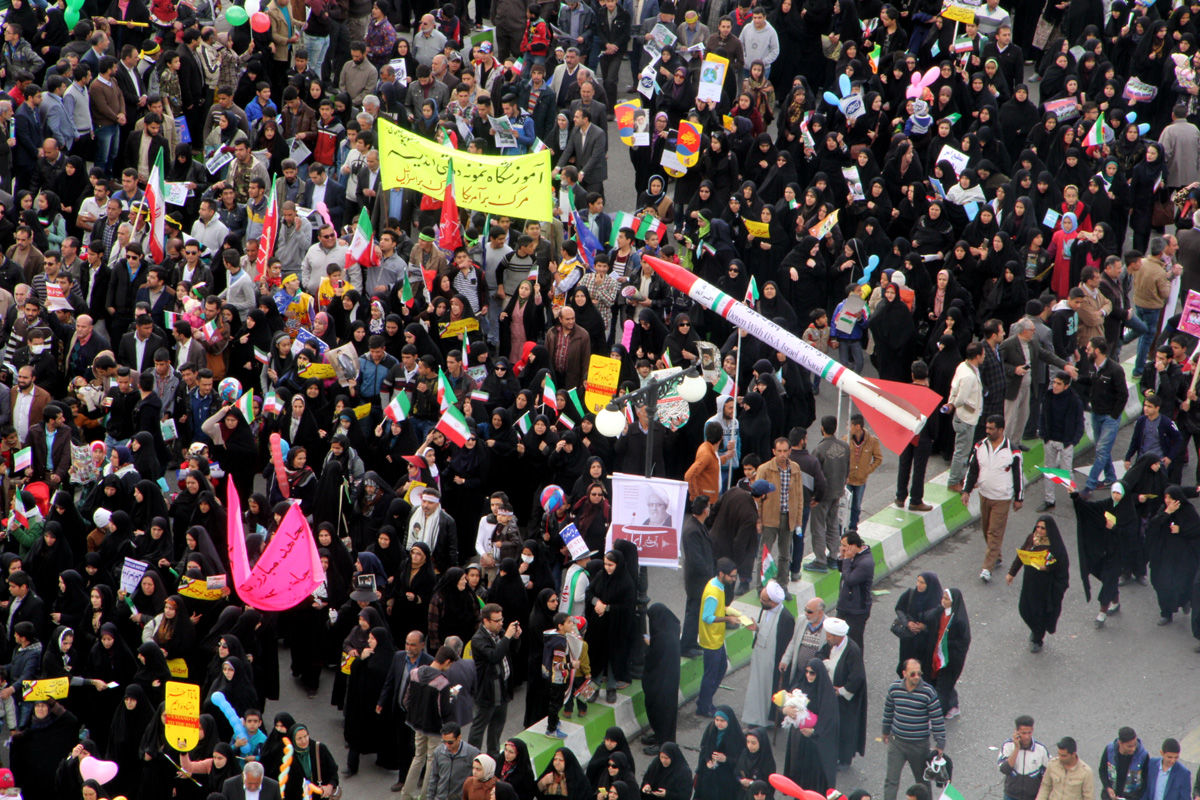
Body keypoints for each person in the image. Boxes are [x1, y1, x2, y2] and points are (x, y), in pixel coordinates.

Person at [963, 415, 1024, 583]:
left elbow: (1018, 475)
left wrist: (1019, 498)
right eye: (987, 428)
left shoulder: (1013, 451)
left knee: (994, 532)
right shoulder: (980, 446)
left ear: (1001, 429)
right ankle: (996, 555)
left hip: (1002, 499)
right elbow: (973, 469)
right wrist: (966, 490)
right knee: (986, 529)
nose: (987, 431)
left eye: (991, 429)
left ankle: (986, 568)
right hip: (984, 495)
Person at [881, 658, 946, 800]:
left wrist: (940, 743)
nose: (917, 677)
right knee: (891, 781)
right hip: (897, 743)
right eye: (912, 674)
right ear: (904, 673)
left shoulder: (928, 692)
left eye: (919, 673)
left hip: (919, 746)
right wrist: (885, 731)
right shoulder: (894, 689)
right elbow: (888, 711)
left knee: (922, 782)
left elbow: (937, 718)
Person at [1006, 516, 1070, 653]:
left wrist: (1046, 568)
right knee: (1024, 608)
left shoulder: (1054, 546)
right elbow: (1022, 555)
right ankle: (1036, 629)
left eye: (1043, 528)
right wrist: (1012, 573)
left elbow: (1060, 566)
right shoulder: (1032, 538)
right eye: (1038, 527)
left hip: (1044, 587)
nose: (1039, 531)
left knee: (1039, 612)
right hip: (1029, 582)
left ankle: (1037, 637)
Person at [815, 616, 867, 770]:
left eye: (830, 635)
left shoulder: (852, 650)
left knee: (846, 728)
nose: (827, 638)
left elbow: (857, 677)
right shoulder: (830, 645)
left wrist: (842, 691)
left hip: (845, 699)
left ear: (839, 636)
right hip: (832, 694)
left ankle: (844, 760)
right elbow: (820, 655)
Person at [740, 580, 793, 728]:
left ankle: (767, 720)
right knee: (756, 688)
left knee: (768, 689)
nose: (761, 602)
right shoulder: (766, 609)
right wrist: (756, 628)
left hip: (772, 661)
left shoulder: (786, 618)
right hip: (759, 656)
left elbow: (787, 644)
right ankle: (754, 718)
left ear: (773, 602)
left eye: (764, 600)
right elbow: (764, 628)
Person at [467, 603, 518, 755]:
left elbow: (513, 650)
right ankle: (473, 758)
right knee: (479, 727)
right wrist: (508, 636)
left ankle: (493, 756)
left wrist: (515, 638)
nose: (501, 623)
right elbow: (494, 656)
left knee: (497, 726)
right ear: (486, 621)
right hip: (487, 691)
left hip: (503, 688)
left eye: (502, 620)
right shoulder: (478, 639)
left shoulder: (499, 633)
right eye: (497, 621)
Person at [696, 558, 740, 718]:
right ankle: (704, 706)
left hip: (717, 638)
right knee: (711, 675)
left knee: (720, 668)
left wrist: (728, 612)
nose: (733, 580)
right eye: (731, 576)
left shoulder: (718, 585)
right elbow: (707, 617)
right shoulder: (713, 593)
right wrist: (728, 619)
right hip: (711, 640)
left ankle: (704, 701)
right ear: (721, 574)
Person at [679, 497, 714, 657]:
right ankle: (686, 646)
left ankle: (692, 642)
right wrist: (709, 573)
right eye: (708, 507)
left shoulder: (698, 526)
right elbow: (696, 559)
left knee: (697, 611)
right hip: (697, 581)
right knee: (693, 612)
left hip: (701, 580)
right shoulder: (692, 530)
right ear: (704, 510)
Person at [928, 588, 969, 720]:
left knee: (943, 687)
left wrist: (946, 646)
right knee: (944, 683)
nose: (943, 601)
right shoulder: (942, 612)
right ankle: (953, 706)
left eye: (946, 599)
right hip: (939, 655)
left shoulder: (958, 621)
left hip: (951, 659)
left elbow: (962, 642)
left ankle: (937, 714)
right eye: (943, 598)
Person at [998, 715, 1051, 800]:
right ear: (1017, 732)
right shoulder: (1008, 746)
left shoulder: (1041, 750)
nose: (1027, 737)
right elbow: (1005, 769)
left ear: (1032, 730)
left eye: (1029, 733)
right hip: (1011, 796)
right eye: (1023, 733)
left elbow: (1048, 776)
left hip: (1033, 797)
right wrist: (1016, 748)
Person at [836, 531, 874, 649]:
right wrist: (842, 557)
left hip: (856, 610)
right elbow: (841, 570)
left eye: (844, 545)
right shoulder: (851, 555)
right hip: (845, 605)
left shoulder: (865, 562)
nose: (842, 548)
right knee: (838, 638)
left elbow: (850, 579)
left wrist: (847, 559)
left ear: (853, 546)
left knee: (853, 643)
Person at [1097, 727, 1148, 800]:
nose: (1133, 749)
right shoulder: (1109, 750)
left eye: (1135, 745)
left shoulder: (1143, 756)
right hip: (1110, 797)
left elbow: (1146, 780)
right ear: (1120, 743)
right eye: (1129, 746)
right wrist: (1108, 787)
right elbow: (1102, 770)